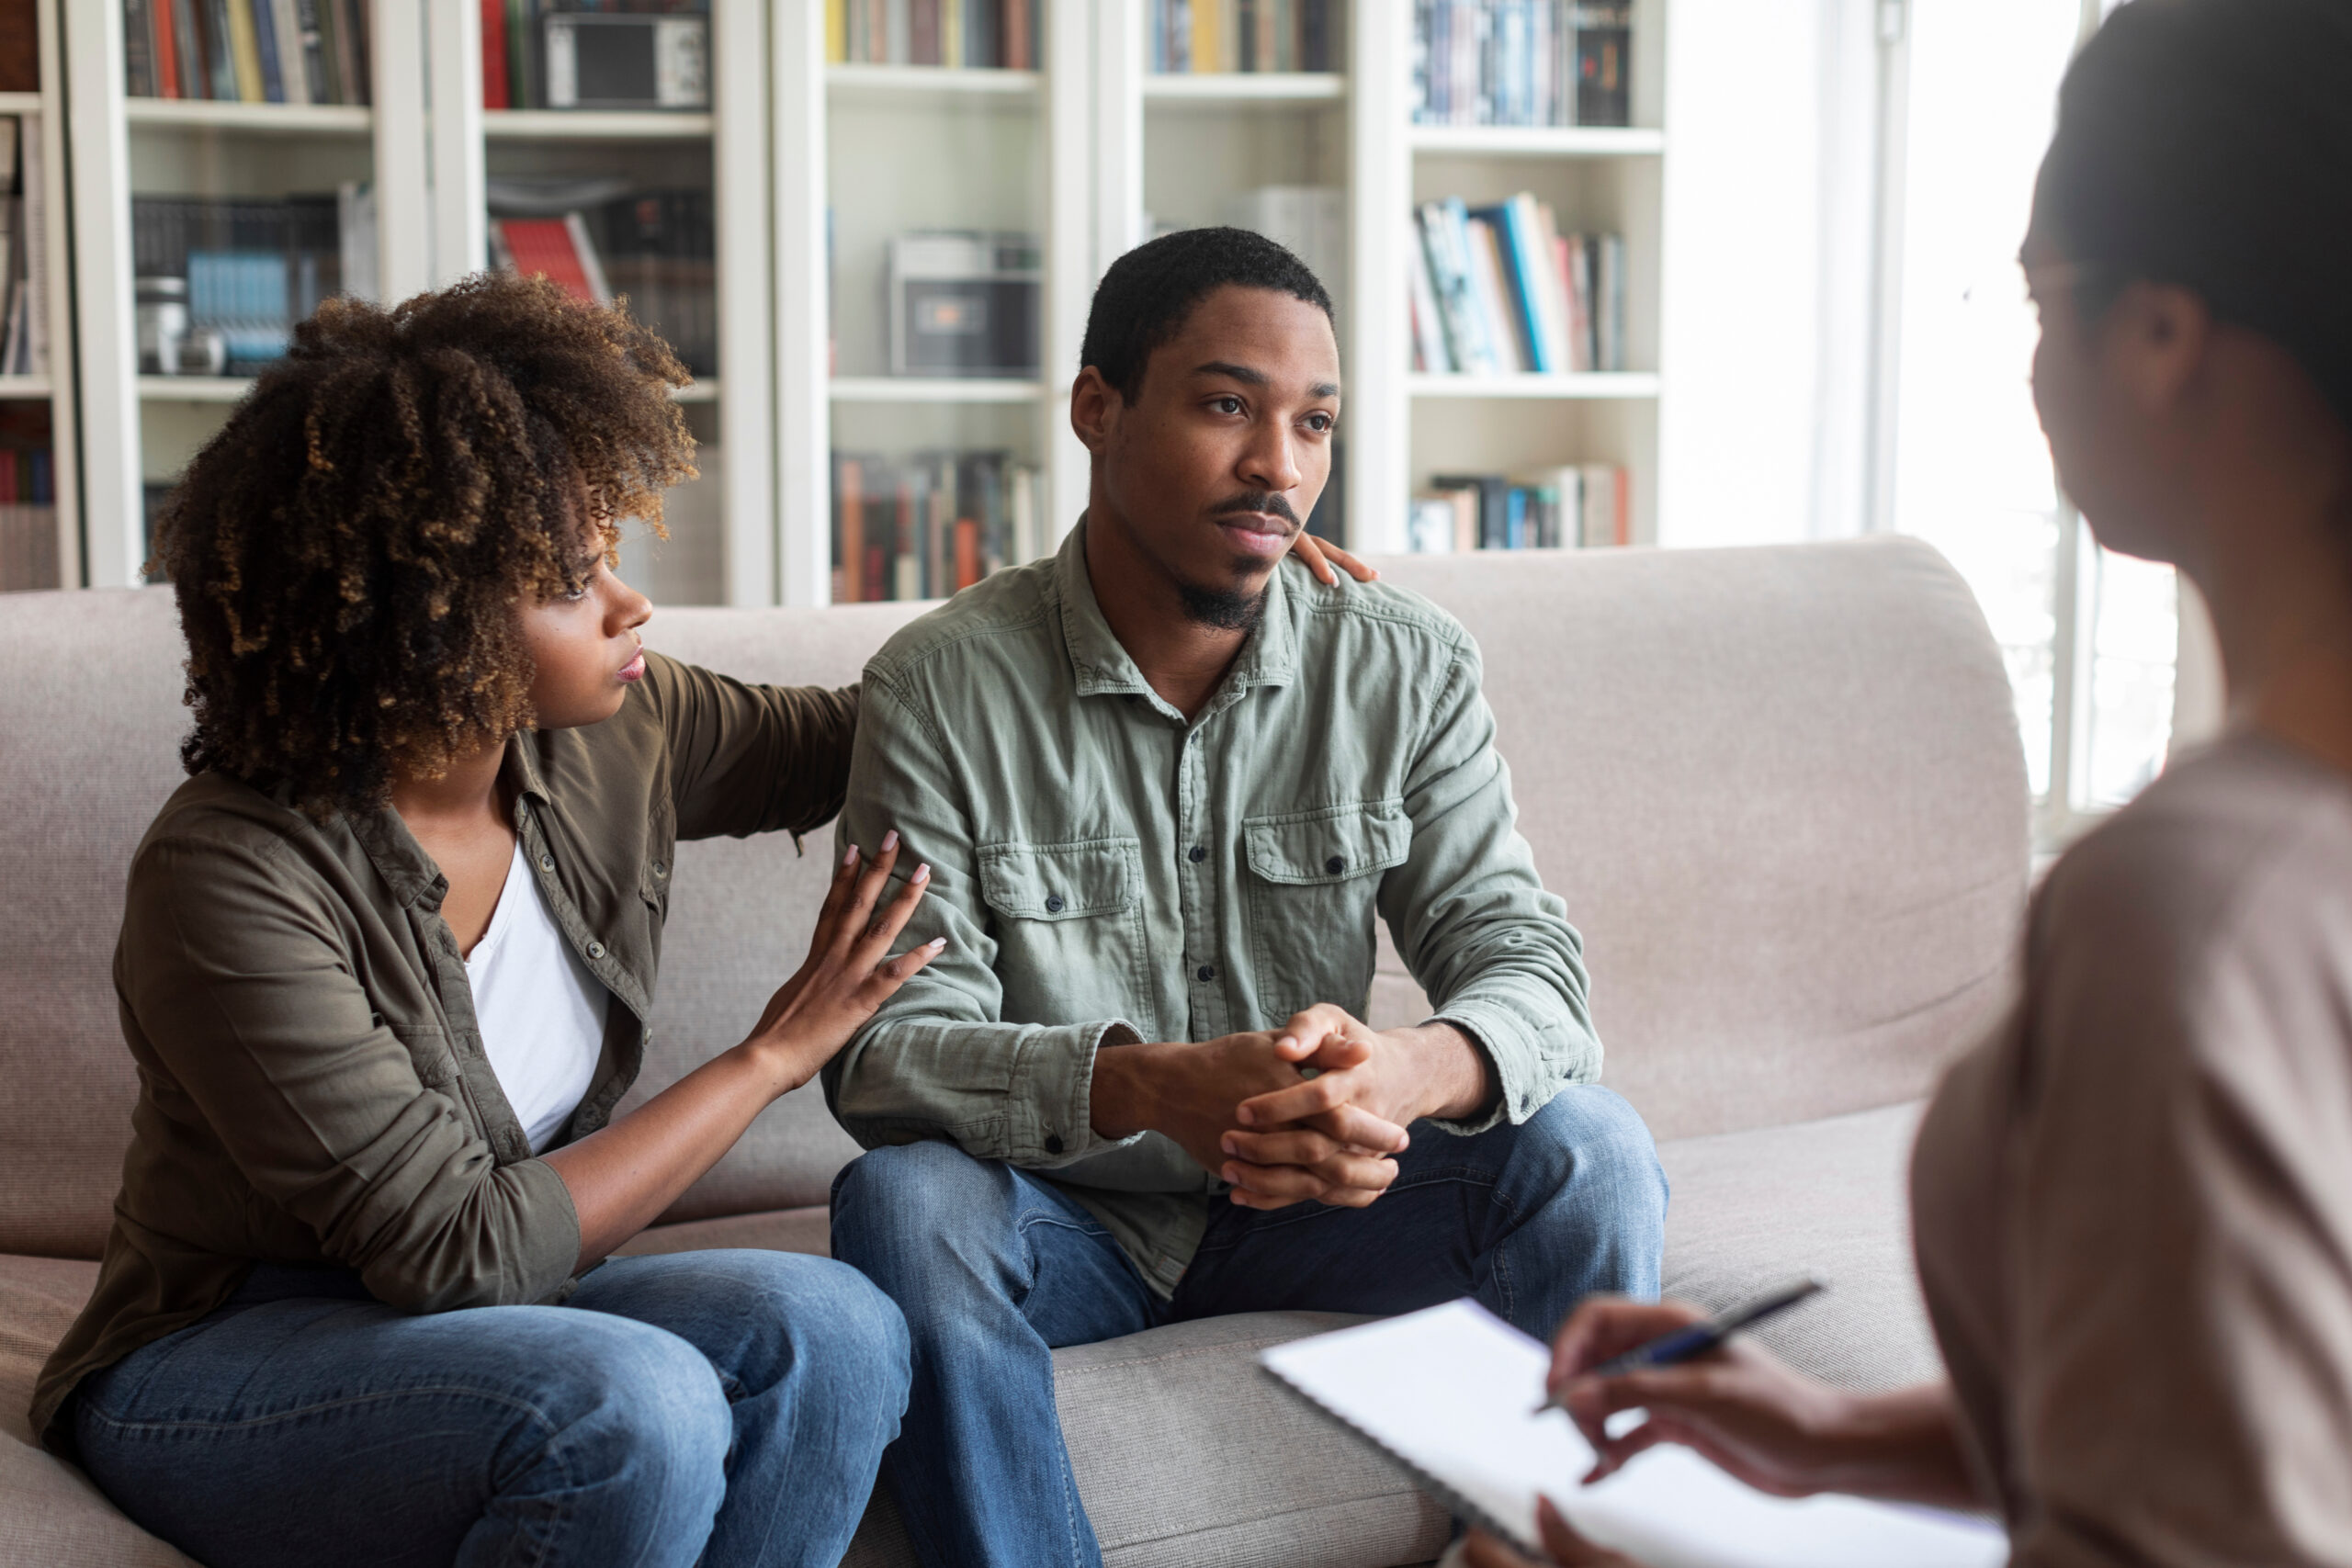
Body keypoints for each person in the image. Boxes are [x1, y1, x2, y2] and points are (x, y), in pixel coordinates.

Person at [1460, 0, 2352, 1562]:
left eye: (2038, 297)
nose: (2027, 360)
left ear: (2161, 334)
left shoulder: (2200, 906)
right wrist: (1833, 1435)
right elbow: (2241, 1425)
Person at [28, 274, 950, 1568]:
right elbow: (457, 1252)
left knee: (838, 1326)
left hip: (521, 1314)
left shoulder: (617, 734)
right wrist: (772, 1056)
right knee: (631, 1406)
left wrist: (1177, 589)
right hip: (221, 1355)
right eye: (570, 581)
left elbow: (896, 731)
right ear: (426, 619)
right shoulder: (230, 880)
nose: (631, 606)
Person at [821, 226, 1669, 1567]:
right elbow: (883, 1055)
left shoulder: (1404, 665)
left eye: (1315, 422)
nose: (1282, 466)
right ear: (1100, 409)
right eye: (1229, 407)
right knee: (906, 1205)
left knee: (1592, 1150)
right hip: (1070, 1222)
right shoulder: (939, 686)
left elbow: (1531, 969)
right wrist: (1153, 1087)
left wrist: (1405, 1069)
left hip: (1331, 1207)